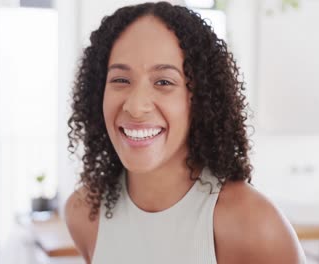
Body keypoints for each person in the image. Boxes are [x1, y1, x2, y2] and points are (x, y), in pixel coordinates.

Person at [65, 2, 305, 263]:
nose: (135, 106)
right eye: (121, 80)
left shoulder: (253, 227)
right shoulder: (84, 214)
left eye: (164, 82)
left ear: (200, 98)